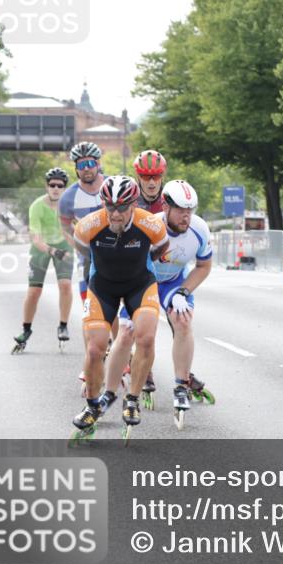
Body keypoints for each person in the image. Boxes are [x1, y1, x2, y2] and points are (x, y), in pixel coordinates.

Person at [98, 180, 214, 428]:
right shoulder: (148, 225)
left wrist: (184, 291)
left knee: (183, 321)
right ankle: (109, 393)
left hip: (174, 282)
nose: (186, 216)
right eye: (181, 210)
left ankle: (181, 386)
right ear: (165, 206)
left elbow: (204, 266)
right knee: (128, 331)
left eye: (190, 210)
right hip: (143, 281)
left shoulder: (199, 229)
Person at [69, 176, 169, 444]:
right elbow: (82, 249)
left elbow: (160, 250)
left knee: (146, 338)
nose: (115, 213)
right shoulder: (89, 225)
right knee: (94, 348)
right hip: (103, 286)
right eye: (109, 206)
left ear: (134, 204)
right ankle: (92, 405)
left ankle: (133, 398)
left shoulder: (151, 224)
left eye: (122, 207)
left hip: (140, 284)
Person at [103, 149, 169, 403]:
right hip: (128, 269)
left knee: (178, 318)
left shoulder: (168, 198)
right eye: (145, 176)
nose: (151, 182)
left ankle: (184, 372)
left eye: (156, 176)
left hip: (162, 267)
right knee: (131, 325)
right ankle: (136, 365)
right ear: (137, 176)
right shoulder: (128, 199)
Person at [12, 168, 75, 353]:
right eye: (52, 185)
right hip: (42, 248)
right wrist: (52, 251)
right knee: (34, 292)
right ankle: (26, 330)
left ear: (65, 188)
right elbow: (36, 239)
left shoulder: (69, 205)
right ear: (46, 186)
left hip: (64, 244)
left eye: (60, 186)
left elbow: (78, 228)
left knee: (65, 285)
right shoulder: (37, 206)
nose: (56, 188)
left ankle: (63, 325)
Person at [59, 142, 105, 303]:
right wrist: (81, 246)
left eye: (90, 163)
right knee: (88, 307)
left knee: (119, 309)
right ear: (76, 168)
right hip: (87, 260)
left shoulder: (112, 185)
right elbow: (65, 227)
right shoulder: (67, 198)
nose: (86, 168)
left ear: (98, 164)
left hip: (117, 255)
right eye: (81, 164)